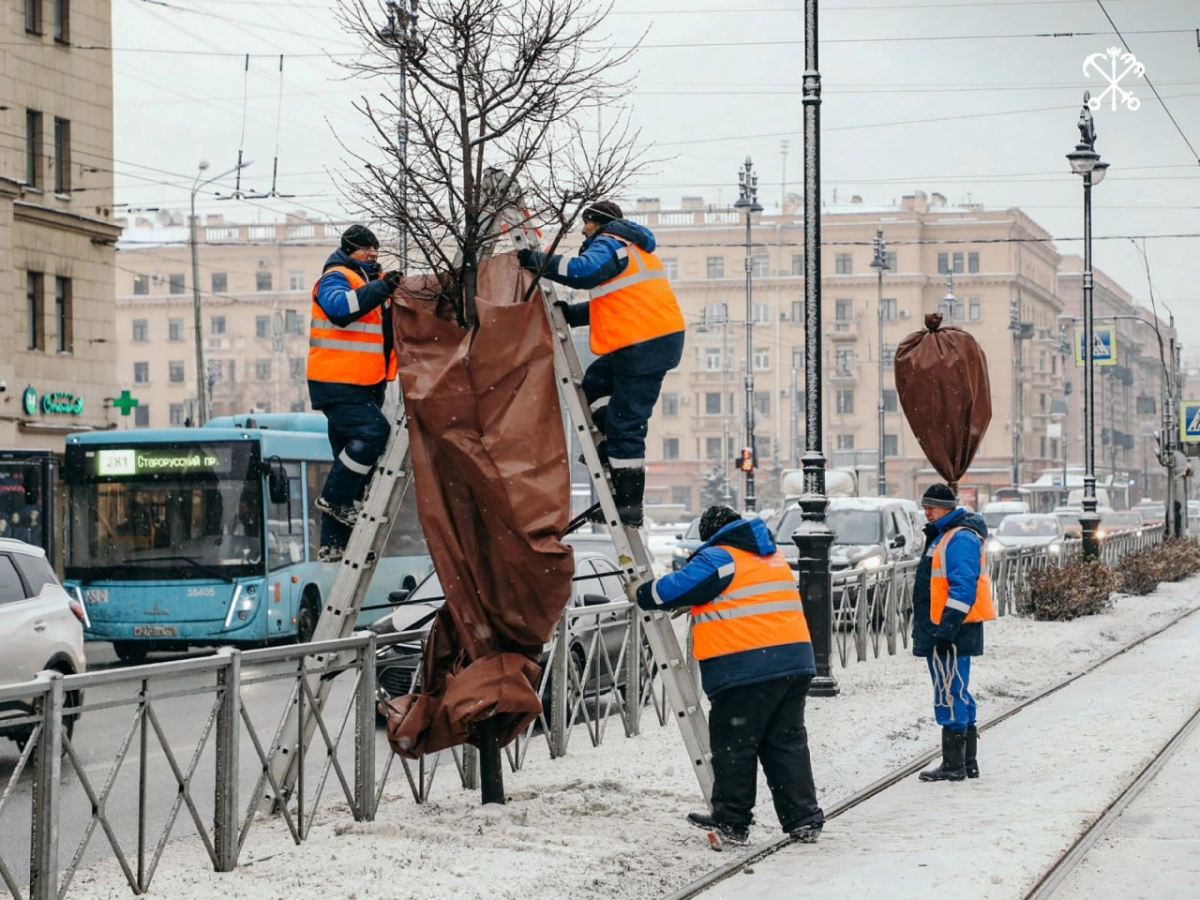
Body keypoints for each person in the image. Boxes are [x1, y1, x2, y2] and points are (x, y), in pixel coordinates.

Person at [635, 505, 824, 846]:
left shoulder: (721, 557)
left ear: (713, 534)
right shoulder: (769, 555)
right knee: (786, 743)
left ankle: (732, 822)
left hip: (747, 666)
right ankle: (803, 818)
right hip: (793, 662)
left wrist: (641, 591)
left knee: (735, 745)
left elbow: (672, 589)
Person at [518, 201, 685, 527]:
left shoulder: (612, 242)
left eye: (587, 223)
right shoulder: (632, 249)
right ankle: (612, 446)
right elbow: (615, 304)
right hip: (643, 341)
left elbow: (583, 272)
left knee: (627, 423)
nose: (583, 230)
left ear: (599, 222)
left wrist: (536, 261)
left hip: (645, 345)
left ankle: (628, 505)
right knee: (595, 382)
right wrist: (572, 314)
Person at [308, 224, 401, 562]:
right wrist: (381, 287)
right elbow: (340, 310)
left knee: (351, 463)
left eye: (376, 248)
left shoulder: (367, 279)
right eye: (367, 249)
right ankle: (333, 499)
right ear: (350, 250)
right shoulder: (336, 277)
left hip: (364, 382)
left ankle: (334, 542)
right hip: (339, 382)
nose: (374, 254)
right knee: (373, 433)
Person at [912, 483, 996, 782]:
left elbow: (963, 586)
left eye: (930, 507)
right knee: (955, 689)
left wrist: (946, 630)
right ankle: (966, 762)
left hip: (950, 629)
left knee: (950, 691)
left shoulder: (958, 538)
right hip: (945, 627)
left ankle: (954, 765)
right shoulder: (946, 535)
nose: (926, 512)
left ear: (946, 508)